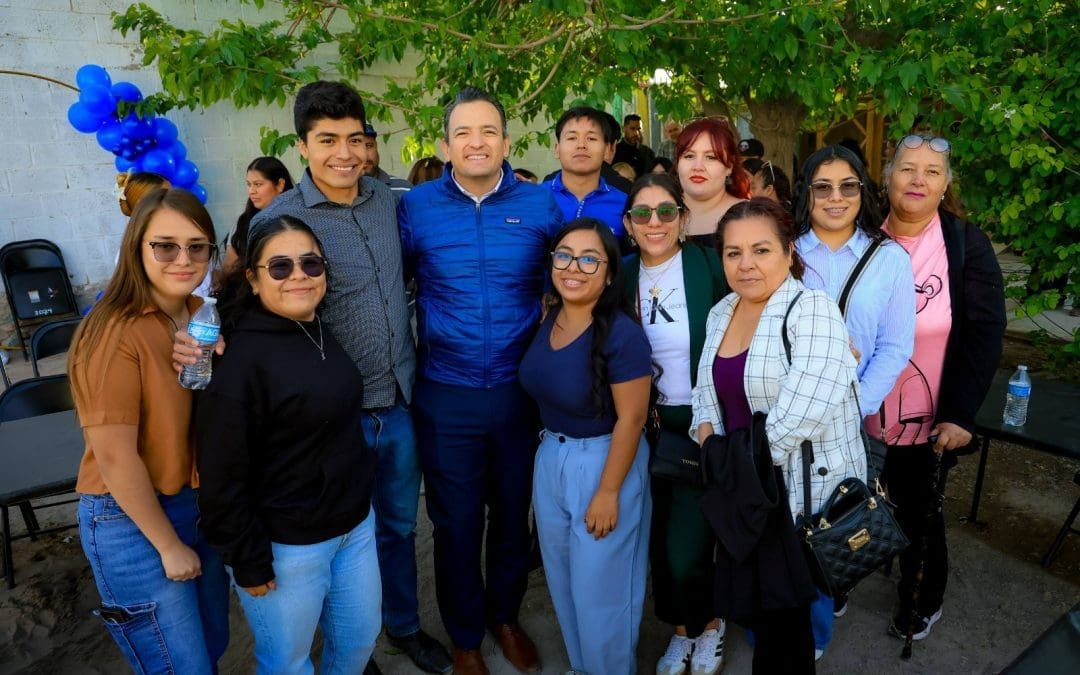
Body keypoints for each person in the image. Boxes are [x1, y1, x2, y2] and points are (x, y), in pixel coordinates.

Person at [174, 80, 450, 675]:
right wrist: (197, 344)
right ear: (303, 146)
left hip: (399, 401)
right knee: (332, 540)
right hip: (329, 416)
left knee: (395, 529)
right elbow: (224, 299)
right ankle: (349, 645)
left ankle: (396, 627)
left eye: (355, 138)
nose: (343, 153)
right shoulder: (279, 220)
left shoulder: (387, 201)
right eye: (327, 140)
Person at [398, 86, 563, 675]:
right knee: (456, 523)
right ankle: (466, 636)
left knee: (512, 514)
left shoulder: (541, 205)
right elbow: (394, 287)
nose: (476, 142)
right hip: (446, 391)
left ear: (506, 142)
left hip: (521, 392)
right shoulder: (415, 208)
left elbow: (571, 280)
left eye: (488, 131)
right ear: (444, 144)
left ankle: (506, 617)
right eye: (463, 132)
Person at [196, 216, 381, 673]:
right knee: (289, 664)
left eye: (310, 263)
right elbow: (221, 472)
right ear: (254, 280)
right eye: (279, 266)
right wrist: (247, 559)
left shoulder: (319, 327)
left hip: (353, 527)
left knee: (358, 643)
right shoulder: (237, 359)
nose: (298, 274)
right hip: (286, 546)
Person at [691, 198, 866, 674]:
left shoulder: (811, 308)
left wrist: (717, 456)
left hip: (795, 502)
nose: (745, 264)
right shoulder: (721, 312)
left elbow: (797, 419)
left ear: (789, 252)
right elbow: (705, 395)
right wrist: (707, 438)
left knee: (787, 636)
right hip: (745, 495)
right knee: (765, 624)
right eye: (732, 252)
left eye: (761, 250)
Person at [70, 187, 229, 674]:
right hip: (131, 518)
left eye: (197, 246)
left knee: (211, 646)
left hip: (192, 503)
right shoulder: (114, 330)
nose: (184, 259)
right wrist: (166, 544)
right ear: (136, 248)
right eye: (165, 246)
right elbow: (115, 457)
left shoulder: (194, 314)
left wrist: (221, 357)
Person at [873, 134, 1005, 641]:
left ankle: (921, 597)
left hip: (928, 419)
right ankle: (837, 581)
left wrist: (961, 414)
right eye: (907, 169)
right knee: (850, 502)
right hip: (857, 411)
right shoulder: (862, 234)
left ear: (946, 184)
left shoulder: (965, 245)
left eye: (931, 171)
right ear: (888, 178)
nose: (918, 180)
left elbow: (983, 335)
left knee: (917, 514)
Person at [792, 144, 916, 658]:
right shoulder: (785, 251)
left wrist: (853, 403)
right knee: (785, 522)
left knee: (831, 521)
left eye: (848, 186)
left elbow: (895, 346)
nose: (835, 197)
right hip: (787, 413)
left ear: (863, 191)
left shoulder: (889, 259)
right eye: (823, 186)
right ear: (807, 193)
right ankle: (780, 619)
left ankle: (814, 632)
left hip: (848, 420)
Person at [520, 217, 653, 675]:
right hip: (551, 457)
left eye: (589, 259)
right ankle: (584, 667)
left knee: (603, 592)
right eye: (564, 255)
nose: (573, 267)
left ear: (611, 273)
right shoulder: (549, 315)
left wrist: (608, 491)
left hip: (603, 461)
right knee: (564, 581)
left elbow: (632, 418)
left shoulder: (621, 333)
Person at [618, 174, 729, 675]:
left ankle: (710, 626)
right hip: (643, 424)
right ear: (628, 225)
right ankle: (681, 629)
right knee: (660, 539)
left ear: (683, 220)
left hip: (702, 421)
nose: (655, 222)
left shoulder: (708, 265)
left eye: (666, 211)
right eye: (642, 214)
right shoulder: (620, 276)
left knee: (692, 542)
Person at [544, 106, 630, 247]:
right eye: (572, 138)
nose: (581, 145)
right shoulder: (534, 199)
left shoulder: (624, 204)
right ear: (557, 149)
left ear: (607, 150)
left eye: (591, 138)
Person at [676, 118, 750, 247]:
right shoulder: (658, 214)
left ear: (730, 166)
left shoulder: (751, 216)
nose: (698, 166)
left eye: (710, 157)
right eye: (689, 156)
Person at [225, 156, 295, 269]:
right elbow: (228, 268)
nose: (251, 191)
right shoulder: (243, 223)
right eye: (249, 184)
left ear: (280, 184)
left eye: (258, 184)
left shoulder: (297, 218)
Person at [361, 123, 413, 194]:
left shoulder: (405, 190)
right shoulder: (341, 193)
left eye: (369, 146)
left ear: (376, 146)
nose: (364, 156)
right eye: (356, 147)